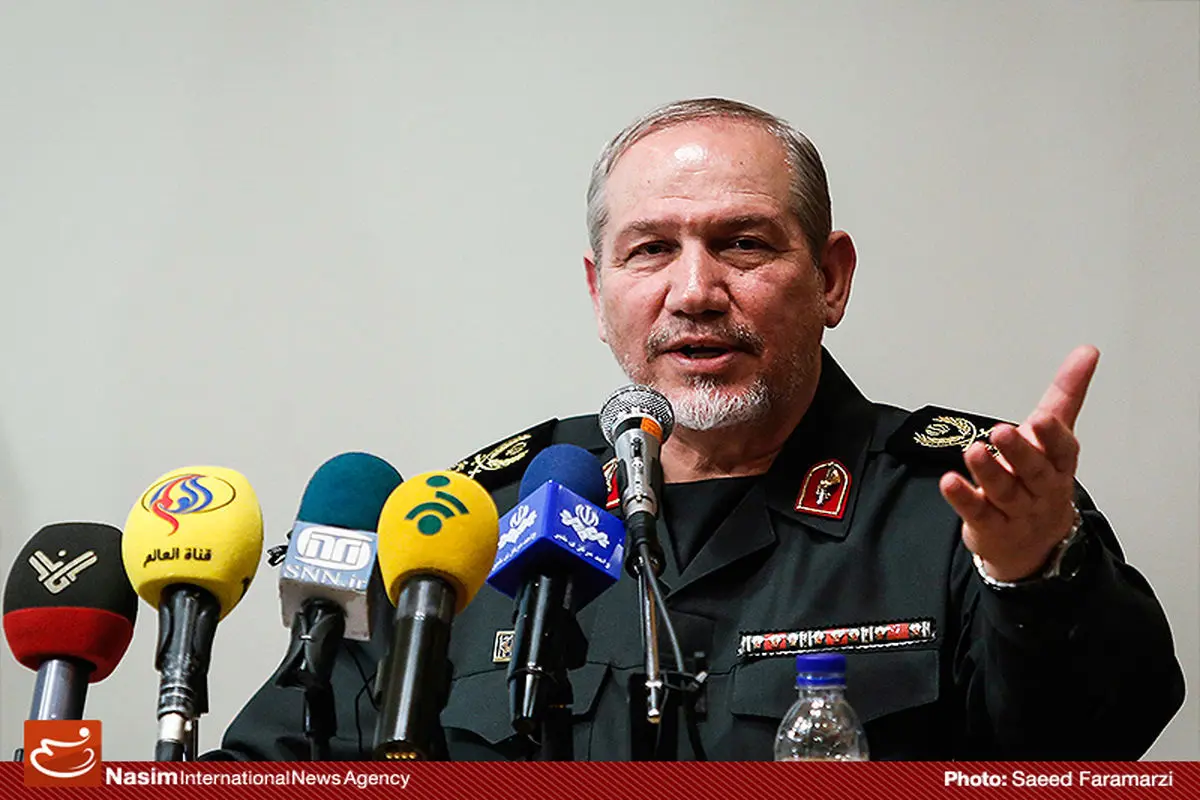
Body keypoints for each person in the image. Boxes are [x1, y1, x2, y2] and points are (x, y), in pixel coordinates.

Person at [211, 98, 1183, 761]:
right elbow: (279, 757)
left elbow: (1098, 743)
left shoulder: (973, 502)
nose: (694, 290)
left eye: (742, 243)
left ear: (831, 278)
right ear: (599, 292)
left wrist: (1033, 575)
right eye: (650, 250)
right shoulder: (471, 519)